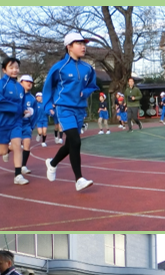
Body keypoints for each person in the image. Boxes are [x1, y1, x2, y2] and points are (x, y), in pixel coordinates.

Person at [43, 33, 98, 192]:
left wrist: (85, 92)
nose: (83, 46)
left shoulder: (88, 68)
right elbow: (48, 87)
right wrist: (48, 106)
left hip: (80, 109)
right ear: (69, 47)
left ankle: (52, 163)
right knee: (75, 141)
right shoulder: (59, 67)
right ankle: (79, 179)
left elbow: (92, 85)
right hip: (64, 107)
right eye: (79, 43)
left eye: (84, 43)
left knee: (70, 143)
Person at [0, 57, 31, 186]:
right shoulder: (0, 84)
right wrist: (17, 108)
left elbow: (21, 103)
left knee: (17, 146)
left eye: (16, 67)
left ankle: (18, 175)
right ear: (4, 70)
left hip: (16, 122)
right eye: (11, 67)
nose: (15, 70)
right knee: (3, 150)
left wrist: (23, 110)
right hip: (1, 123)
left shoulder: (20, 87)